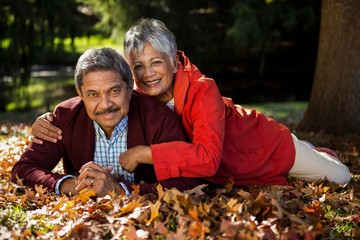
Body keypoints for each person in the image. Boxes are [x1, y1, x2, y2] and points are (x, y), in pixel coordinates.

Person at [30, 18, 351, 187]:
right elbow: (101, 94)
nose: (148, 73)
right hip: (223, 170)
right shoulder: (137, 93)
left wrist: (143, 153)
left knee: (341, 179)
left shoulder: (202, 90)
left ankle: (313, 150)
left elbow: (209, 158)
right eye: (138, 66)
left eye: (156, 62)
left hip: (262, 145)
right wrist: (52, 117)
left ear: (174, 60)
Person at [11, 47, 204, 197]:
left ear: (130, 88)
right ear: (80, 94)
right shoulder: (65, 116)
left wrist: (123, 191)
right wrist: (70, 185)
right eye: (93, 94)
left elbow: (189, 181)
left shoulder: (159, 118)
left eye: (114, 91)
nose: (105, 104)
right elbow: (24, 169)